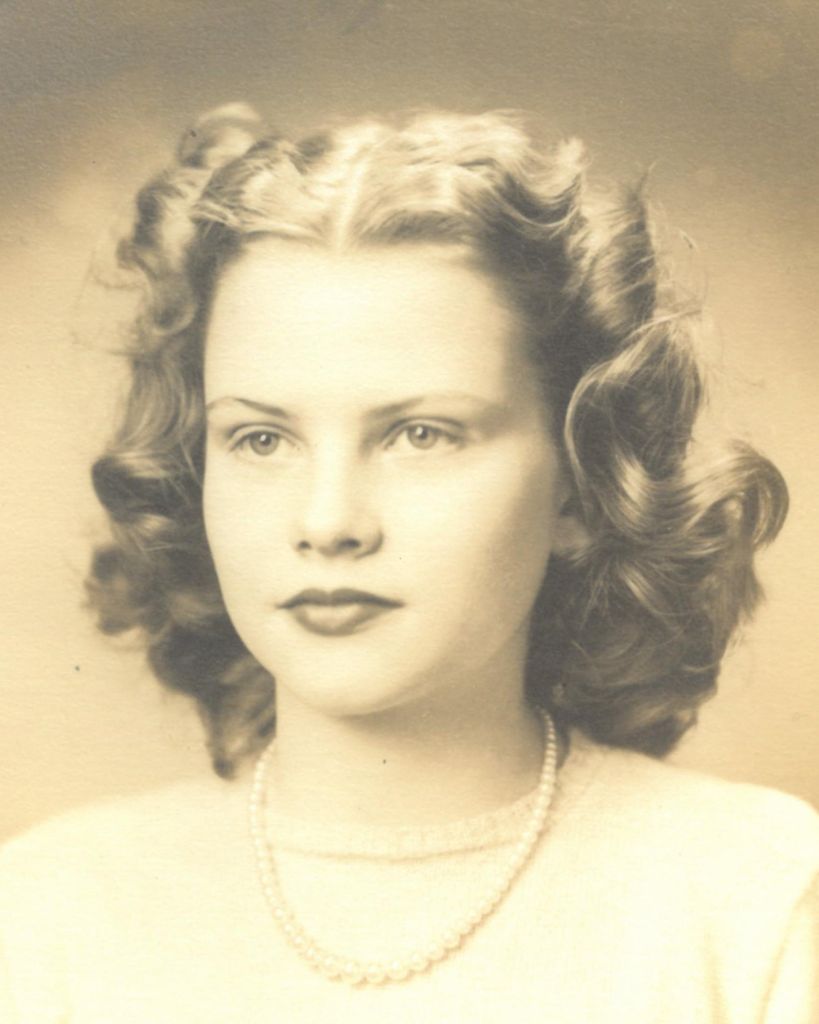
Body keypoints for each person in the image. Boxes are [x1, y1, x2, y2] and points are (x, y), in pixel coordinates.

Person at [1, 103, 817, 1022]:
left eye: (420, 434)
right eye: (261, 439)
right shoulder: (45, 917)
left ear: (578, 487)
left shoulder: (758, 904)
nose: (327, 523)